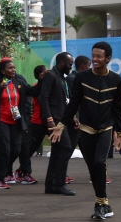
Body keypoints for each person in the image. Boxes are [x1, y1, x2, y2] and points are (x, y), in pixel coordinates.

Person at [49, 41, 121, 220]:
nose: (95, 59)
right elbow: (74, 103)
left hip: (105, 128)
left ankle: (100, 203)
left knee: (100, 163)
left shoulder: (116, 80)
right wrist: (61, 125)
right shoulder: (82, 77)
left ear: (108, 58)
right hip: (86, 128)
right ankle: (103, 203)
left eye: (99, 56)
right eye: (93, 55)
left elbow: (118, 108)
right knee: (93, 167)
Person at [0, 57, 30, 189]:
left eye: (14, 67)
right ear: (3, 70)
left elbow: (28, 93)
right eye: (10, 68)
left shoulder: (19, 80)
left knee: (16, 149)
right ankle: (0, 178)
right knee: (4, 150)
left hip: (16, 119)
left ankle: (5, 171)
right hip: (1, 120)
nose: (13, 70)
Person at [40, 52, 76, 196]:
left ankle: (51, 184)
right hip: (54, 120)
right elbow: (44, 98)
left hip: (61, 118)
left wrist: (71, 117)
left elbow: (65, 100)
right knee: (66, 147)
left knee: (57, 150)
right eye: (69, 64)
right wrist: (49, 119)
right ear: (61, 63)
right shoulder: (51, 75)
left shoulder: (62, 77)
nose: (71, 67)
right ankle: (59, 183)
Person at [14, 64, 47, 184]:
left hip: (50, 121)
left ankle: (60, 174)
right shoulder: (36, 87)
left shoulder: (49, 85)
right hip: (38, 121)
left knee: (63, 147)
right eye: (45, 72)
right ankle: (21, 171)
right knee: (29, 148)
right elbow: (42, 99)